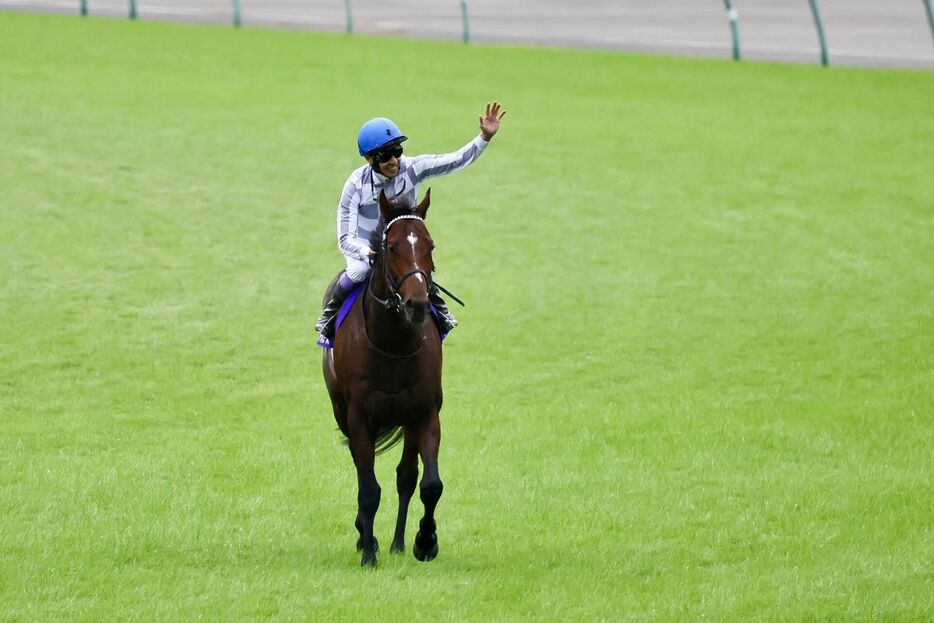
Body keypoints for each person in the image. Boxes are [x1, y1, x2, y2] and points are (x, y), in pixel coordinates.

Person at [315, 101, 506, 341]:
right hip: (365, 247)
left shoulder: (413, 167)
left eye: (397, 151)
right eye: (386, 155)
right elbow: (344, 239)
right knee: (358, 270)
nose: (395, 160)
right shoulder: (355, 186)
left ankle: (441, 313)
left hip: (401, 241)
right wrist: (368, 252)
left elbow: (455, 160)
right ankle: (329, 316)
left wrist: (484, 138)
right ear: (369, 159)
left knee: (416, 268)